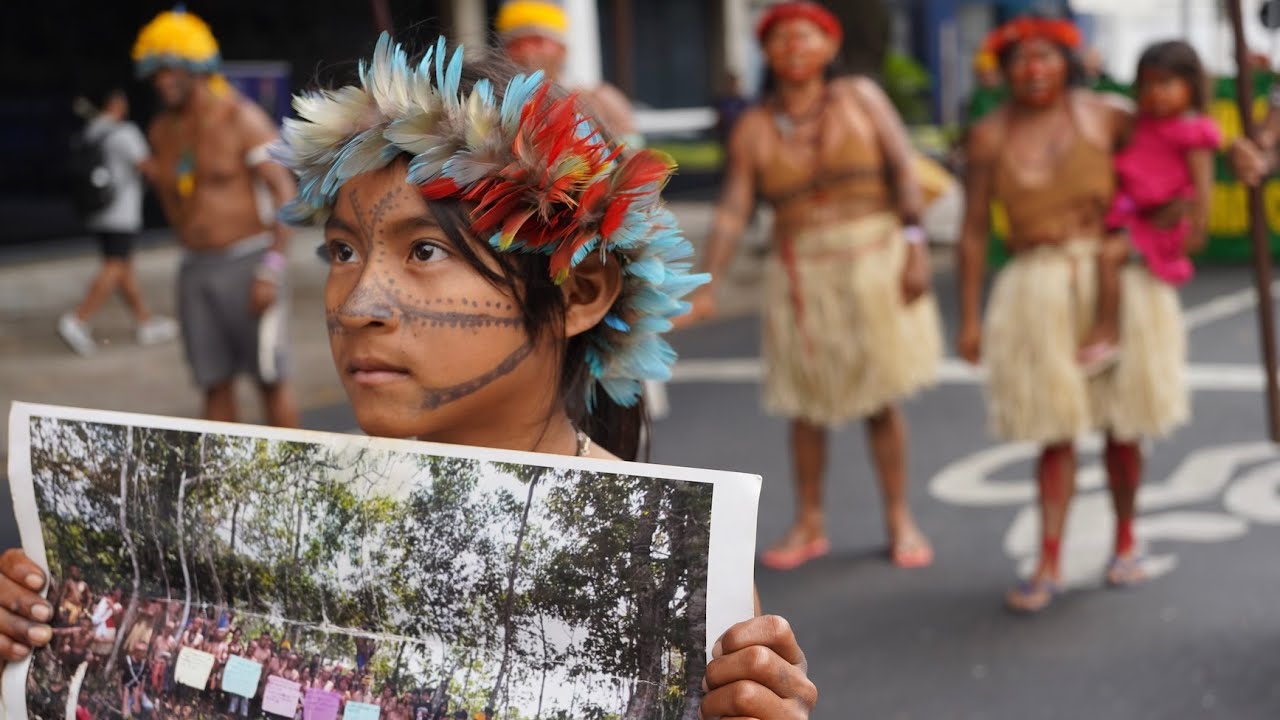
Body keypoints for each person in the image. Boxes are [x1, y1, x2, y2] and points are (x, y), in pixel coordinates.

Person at [0, 33, 816, 720]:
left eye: (425, 252)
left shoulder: (676, 573)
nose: (357, 303)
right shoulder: (251, 535)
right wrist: (30, 649)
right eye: (342, 252)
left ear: (579, 293)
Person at [683, 0, 941, 570]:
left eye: (806, 37)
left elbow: (904, 167)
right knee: (805, 406)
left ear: (829, 46)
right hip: (802, 270)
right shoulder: (754, 126)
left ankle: (899, 515)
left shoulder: (861, 98)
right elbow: (732, 210)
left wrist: (916, 244)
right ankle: (809, 520)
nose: (794, 48)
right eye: (780, 40)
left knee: (880, 398)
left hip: (873, 258)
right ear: (766, 54)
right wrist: (708, 283)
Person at [956, 16, 1190, 613]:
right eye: (1021, 60)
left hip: (1115, 276)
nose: (1035, 70)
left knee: (1124, 424)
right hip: (1035, 284)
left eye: (1047, 57)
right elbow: (974, 232)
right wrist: (969, 318)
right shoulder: (986, 136)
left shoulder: (1108, 114)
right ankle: (1049, 557)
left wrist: (1145, 237)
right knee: (1053, 433)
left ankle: (1126, 540)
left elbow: (1172, 154)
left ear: (1069, 61)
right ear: (1002, 71)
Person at [131, 9, 300, 426]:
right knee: (213, 381)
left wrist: (272, 269)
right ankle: (223, 485)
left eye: (169, 70)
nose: (161, 81)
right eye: (155, 72)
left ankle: (294, 480)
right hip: (195, 268)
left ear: (196, 66)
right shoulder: (161, 131)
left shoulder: (241, 118)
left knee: (269, 379)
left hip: (250, 263)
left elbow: (285, 193)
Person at [1079, 41, 1219, 371]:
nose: (1156, 94)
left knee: (1107, 257)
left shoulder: (1193, 131)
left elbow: (1203, 187)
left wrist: (1198, 227)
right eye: (1148, 85)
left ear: (1191, 85)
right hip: (1132, 214)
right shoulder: (1136, 123)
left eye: (1166, 84)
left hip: (1161, 225)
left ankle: (1107, 332)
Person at [59, 88, 178, 356]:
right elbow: (148, 168)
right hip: (121, 212)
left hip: (98, 210)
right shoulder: (125, 133)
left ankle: (144, 322)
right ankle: (78, 319)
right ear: (114, 103)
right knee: (115, 265)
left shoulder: (92, 130)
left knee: (124, 268)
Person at [495, 0, 641, 147]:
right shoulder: (493, 107)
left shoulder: (602, 101)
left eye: (537, 41)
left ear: (562, 50)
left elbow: (630, 157)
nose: (527, 52)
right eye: (515, 45)